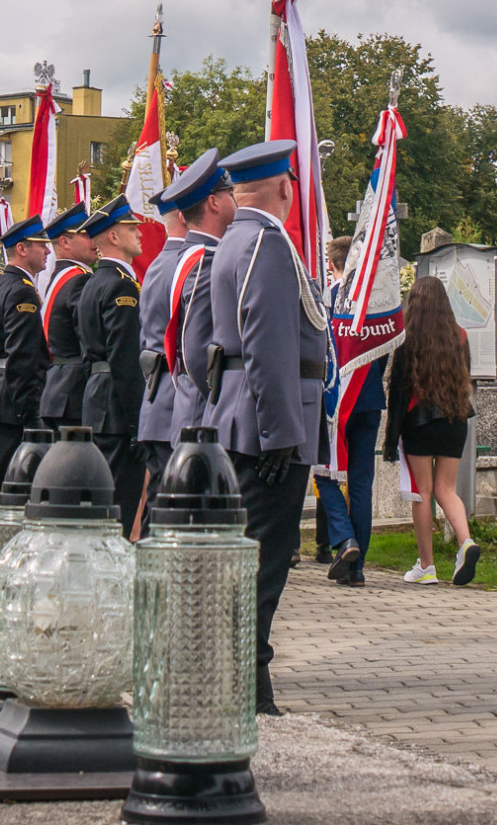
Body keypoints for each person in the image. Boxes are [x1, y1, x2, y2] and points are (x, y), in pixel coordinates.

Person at [202, 139, 328, 716]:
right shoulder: (269, 244)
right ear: (285, 187)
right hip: (267, 425)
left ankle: (239, 678)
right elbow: (268, 343)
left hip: (237, 416)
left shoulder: (232, 242)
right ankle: (247, 685)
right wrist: (281, 433)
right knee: (264, 557)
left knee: (246, 555)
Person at [382, 277, 481, 587]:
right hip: (456, 420)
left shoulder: (407, 338)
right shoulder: (460, 336)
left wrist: (390, 436)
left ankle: (427, 566)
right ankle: (465, 542)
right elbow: (466, 379)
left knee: (422, 492)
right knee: (446, 490)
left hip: (419, 422)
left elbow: (399, 390)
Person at [317, 234, 385, 587]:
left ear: (332, 264)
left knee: (324, 472)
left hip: (334, 398)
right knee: (361, 483)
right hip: (368, 395)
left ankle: (345, 539)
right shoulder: (373, 301)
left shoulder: (326, 299)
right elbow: (386, 344)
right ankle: (356, 569)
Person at [77, 196, 149, 534]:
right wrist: (138, 425)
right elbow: (125, 359)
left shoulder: (94, 281)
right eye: (130, 227)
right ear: (114, 237)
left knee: (103, 501)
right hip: (117, 409)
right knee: (120, 502)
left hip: (98, 400)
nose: (140, 232)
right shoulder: (122, 284)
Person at [0, 215, 50, 523]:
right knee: (12, 487)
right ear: (22, 249)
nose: (47, 252)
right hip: (10, 402)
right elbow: (22, 357)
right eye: (40, 246)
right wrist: (29, 413)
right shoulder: (21, 291)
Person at [132, 186, 193, 525]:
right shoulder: (189, 264)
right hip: (178, 402)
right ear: (186, 216)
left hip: (157, 401)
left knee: (160, 501)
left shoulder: (157, 265)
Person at [169, 152, 235, 440]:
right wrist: (223, 399)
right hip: (202, 416)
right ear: (213, 202)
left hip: (193, 411)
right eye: (230, 193)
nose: (236, 200)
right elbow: (195, 349)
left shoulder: (192, 254)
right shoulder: (205, 259)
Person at [35, 203, 95, 430]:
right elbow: (88, 338)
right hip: (74, 393)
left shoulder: (60, 278)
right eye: (87, 235)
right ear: (65, 242)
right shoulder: (79, 280)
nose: (94, 241)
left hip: (57, 388)